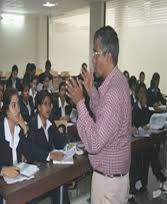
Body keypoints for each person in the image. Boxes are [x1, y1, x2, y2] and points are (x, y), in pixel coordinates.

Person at [67, 26, 131, 204]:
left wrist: (80, 102)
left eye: (96, 53)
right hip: (114, 181)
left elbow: (94, 143)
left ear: (108, 56)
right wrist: (91, 90)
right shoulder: (118, 82)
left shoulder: (113, 92)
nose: (93, 60)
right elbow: (104, 113)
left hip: (108, 185)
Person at [0, 88, 55, 204]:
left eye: (18, 106)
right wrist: (3, 170)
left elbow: (31, 153)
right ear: (6, 110)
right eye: (13, 106)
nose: (18, 110)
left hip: (16, 186)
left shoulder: (18, 131)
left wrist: (50, 155)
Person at [28, 90, 70, 204]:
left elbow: (59, 142)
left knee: (62, 183)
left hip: (49, 170)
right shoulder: (32, 124)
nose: (48, 108)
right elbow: (32, 152)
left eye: (50, 104)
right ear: (38, 107)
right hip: (36, 172)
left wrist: (69, 144)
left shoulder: (50, 120)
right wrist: (49, 155)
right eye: (45, 104)